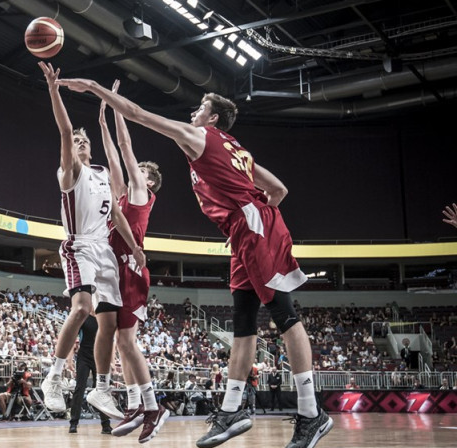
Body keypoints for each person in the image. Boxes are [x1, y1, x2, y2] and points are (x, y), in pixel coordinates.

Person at [56, 77, 332, 448]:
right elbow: (277, 190)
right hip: (245, 229)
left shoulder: (198, 137)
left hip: (250, 227)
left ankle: (311, 413)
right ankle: (232, 408)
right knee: (244, 323)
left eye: (200, 108)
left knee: (285, 315)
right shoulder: (237, 149)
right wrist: (250, 222)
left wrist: (93, 87)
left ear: (212, 118)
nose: (193, 112)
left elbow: (136, 114)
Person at [36, 63, 146, 433]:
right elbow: (65, 129)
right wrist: (54, 89)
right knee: (82, 307)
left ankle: (101, 389)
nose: (81, 143)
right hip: (79, 245)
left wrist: (135, 248)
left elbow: (118, 215)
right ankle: (52, 377)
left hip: (106, 252)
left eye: (86, 141)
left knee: (110, 324)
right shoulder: (70, 172)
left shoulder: (100, 174)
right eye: (78, 142)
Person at [95, 79, 167, 442]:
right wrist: (103, 122)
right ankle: (138, 404)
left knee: (127, 342)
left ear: (151, 180)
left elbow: (125, 147)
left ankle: (152, 407)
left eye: (142, 169)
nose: (136, 170)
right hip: (116, 266)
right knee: (123, 343)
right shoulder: (123, 193)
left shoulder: (142, 191)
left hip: (132, 269)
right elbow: (112, 159)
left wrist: (118, 105)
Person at [68, 315, 111, 435]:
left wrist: (110, 361)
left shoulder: (104, 318)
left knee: (102, 390)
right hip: (84, 357)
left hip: (99, 357)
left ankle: (106, 425)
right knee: (79, 388)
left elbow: (109, 341)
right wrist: (69, 359)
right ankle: (73, 423)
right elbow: (72, 337)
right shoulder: (84, 318)